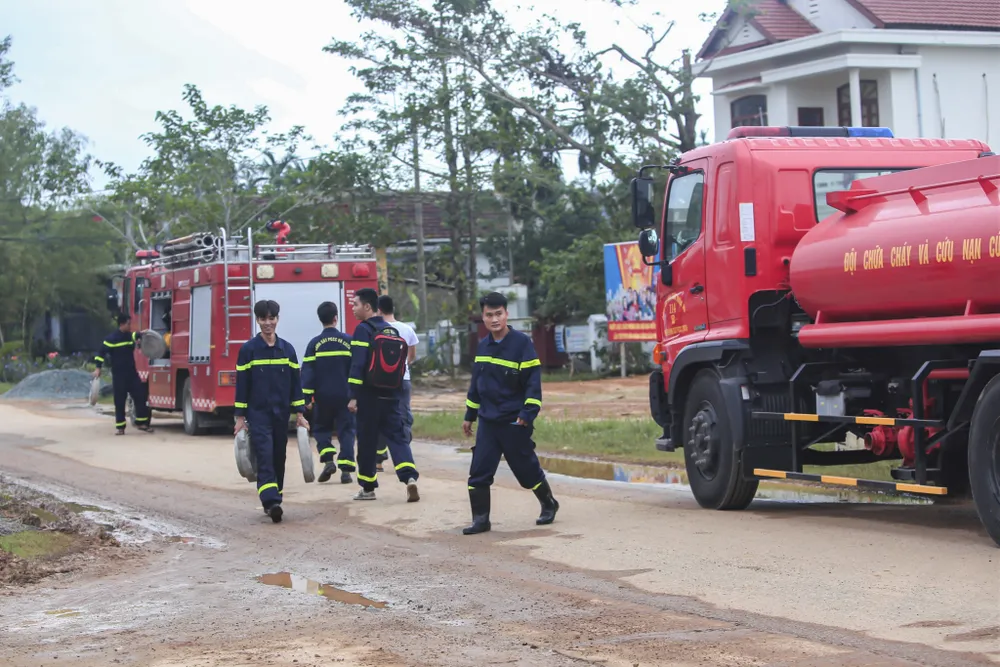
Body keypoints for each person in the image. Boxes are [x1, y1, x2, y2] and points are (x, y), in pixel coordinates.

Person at [461, 291, 559, 535]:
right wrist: (469, 415)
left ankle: (549, 503)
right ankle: (481, 520)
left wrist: (527, 415)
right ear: (482, 318)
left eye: (498, 314)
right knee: (479, 472)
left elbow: (533, 385)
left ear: (506, 315)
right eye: (489, 315)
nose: (494, 319)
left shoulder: (522, 344)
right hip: (488, 422)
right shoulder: (482, 346)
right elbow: (476, 386)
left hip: (514, 421)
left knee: (526, 470)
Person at [234, 299, 309, 524]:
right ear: (257, 320)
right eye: (263, 319)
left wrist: (301, 414)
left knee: (279, 456)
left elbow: (296, 384)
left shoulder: (287, 350)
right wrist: (239, 417)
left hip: (281, 413)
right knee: (264, 454)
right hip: (258, 414)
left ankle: (276, 497)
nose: (268, 323)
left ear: (277, 319)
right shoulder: (248, 350)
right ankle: (270, 501)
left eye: (271, 318)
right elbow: (242, 385)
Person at [347, 288, 420, 502]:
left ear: (368, 307)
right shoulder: (391, 330)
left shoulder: (363, 330)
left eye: (356, 304)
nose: (353, 308)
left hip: (369, 397)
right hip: (392, 395)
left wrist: (353, 396)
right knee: (397, 438)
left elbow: (358, 365)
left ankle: (368, 488)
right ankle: (409, 478)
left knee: (368, 442)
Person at [302, 301, 356, 485]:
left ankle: (328, 460)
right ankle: (346, 471)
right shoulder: (349, 342)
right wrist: (357, 395)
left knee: (321, 429)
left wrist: (306, 398)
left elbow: (308, 372)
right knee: (346, 431)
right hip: (345, 397)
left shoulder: (314, 344)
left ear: (320, 319)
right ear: (336, 318)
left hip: (323, 397)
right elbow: (356, 370)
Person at [374, 295, 419, 471]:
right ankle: (405, 453)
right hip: (403, 380)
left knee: (380, 417)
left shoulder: (377, 329)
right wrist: (402, 367)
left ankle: (378, 460)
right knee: (404, 417)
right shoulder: (407, 329)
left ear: (378, 310)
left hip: (381, 382)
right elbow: (412, 356)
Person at [93, 313, 153, 436]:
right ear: (121, 324)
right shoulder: (111, 339)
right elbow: (100, 353)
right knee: (119, 401)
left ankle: (141, 423)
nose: (130, 326)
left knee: (140, 396)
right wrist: (98, 368)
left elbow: (138, 334)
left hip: (131, 373)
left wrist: (144, 333)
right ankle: (120, 427)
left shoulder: (130, 336)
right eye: (128, 324)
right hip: (119, 375)